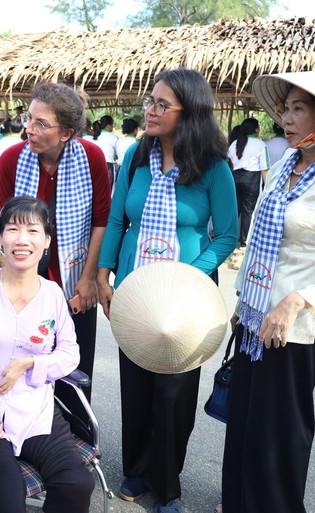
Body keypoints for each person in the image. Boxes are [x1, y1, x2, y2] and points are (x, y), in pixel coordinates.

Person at [219, 70, 315, 513]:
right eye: (285, 108)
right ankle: (238, 503)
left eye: (299, 109)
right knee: (246, 424)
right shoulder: (285, 163)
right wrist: (241, 301)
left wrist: (297, 300)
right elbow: (259, 241)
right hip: (254, 320)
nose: (286, 118)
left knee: (279, 435)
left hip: (296, 330)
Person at [96, 68, 238, 513]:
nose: (150, 111)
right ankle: (136, 471)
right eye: (150, 102)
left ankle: (167, 485)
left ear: (189, 112)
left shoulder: (213, 168)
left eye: (162, 104)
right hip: (136, 295)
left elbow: (226, 235)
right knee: (136, 387)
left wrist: (187, 278)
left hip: (186, 301)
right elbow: (119, 218)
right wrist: (104, 272)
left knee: (174, 396)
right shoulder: (139, 157)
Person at [0, 195, 95, 513]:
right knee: (9, 497)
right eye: (13, 229)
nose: (22, 239)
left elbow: (70, 353)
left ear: (46, 241)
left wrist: (33, 363)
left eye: (33, 231)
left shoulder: (53, 293)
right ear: (0, 237)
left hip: (37, 413)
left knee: (76, 483)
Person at [0, 82, 111, 411]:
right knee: (25, 361)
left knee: (72, 367)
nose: (28, 129)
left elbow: (100, 220)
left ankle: (73, 441)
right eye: (28, 118)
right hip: (25, 281)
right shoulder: (10, 160)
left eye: (41, 124)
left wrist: (88, 279)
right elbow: (9, 230)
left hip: (75, 278)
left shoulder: (91, 158)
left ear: (67, 133)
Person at [228, 117, 269, 247]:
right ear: (256, 129)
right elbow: (264, 169)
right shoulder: (260, 144)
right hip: (251, 179)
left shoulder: (234, 144)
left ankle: (230, 238)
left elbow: (228, 164)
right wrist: (267, 187)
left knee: (235, 209)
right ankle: (244, 241)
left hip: (234, 178)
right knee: (248, 211)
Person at [0, 117, 25, 204]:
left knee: (3, 201)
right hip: (18, 176)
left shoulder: (1, 142)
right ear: (22, 130)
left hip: (1, 175)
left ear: (9, 129)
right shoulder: (24, 144)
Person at [93, 115, 119, 186]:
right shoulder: (114, 137)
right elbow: (117, 154)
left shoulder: (95, 136)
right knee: (109, 190)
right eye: (112, 125)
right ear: (108, 126)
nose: (113, 127)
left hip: (95, 166)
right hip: (108, 166)